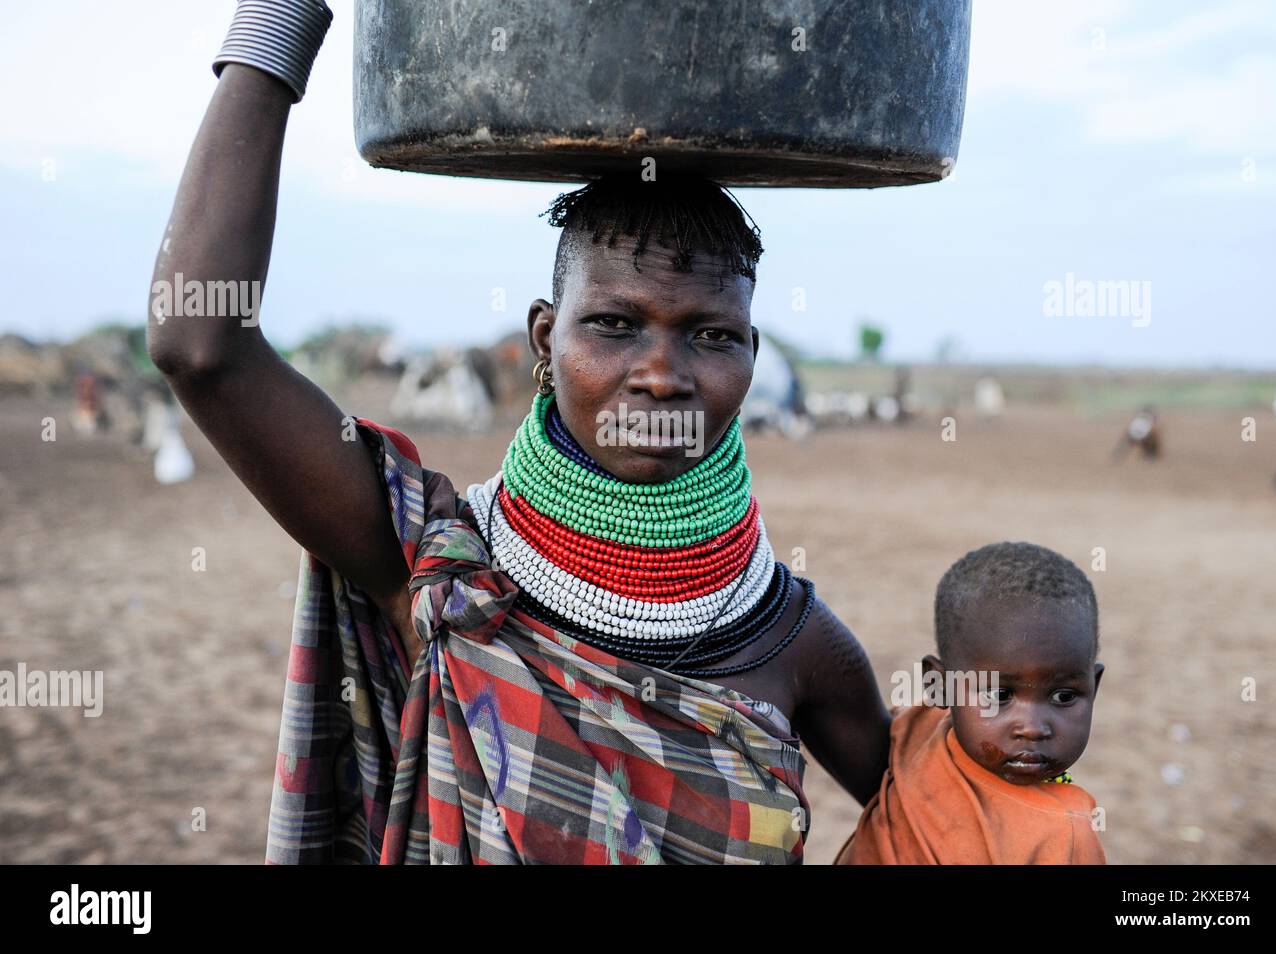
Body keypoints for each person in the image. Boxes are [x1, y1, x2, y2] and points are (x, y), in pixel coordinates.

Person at [147, 4, 890, 864]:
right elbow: (201, 348)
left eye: (711, 336)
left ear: (755, 356)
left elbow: (944, 818)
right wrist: (281, 19)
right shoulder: (440, 564)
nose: (663, 374)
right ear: (545, 338)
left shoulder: (794, 640)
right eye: (614, 325)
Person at [835, 542, 1106, 864]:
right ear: (939, 686)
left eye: (1063, 696)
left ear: (1094, 685)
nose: (1033, 728)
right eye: (998, 696)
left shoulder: (914, 731)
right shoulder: (1066, 836)